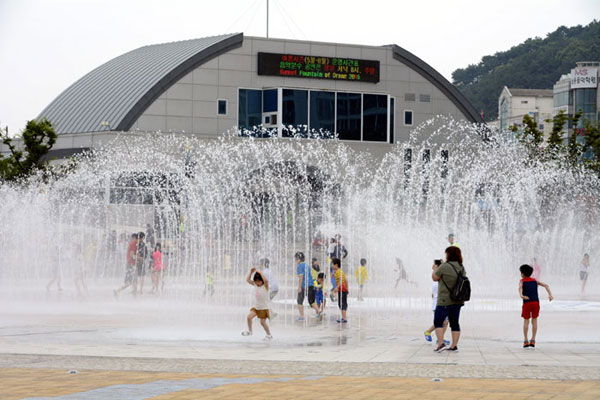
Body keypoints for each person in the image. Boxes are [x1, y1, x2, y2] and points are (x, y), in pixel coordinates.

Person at [432, 246, 467, 352]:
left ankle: (441, 343)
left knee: (438, 321)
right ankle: (454, 345)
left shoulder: (444, 266)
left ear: (449, 254)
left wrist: (435, 269)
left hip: (444, 300)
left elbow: (435, 278)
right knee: (454, 322)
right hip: (457, 300)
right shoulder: (461, 267)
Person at [519, 264, 553, 348]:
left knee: (526, 321)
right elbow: (546, 285)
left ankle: (526, 340)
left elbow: (520, 289)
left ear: (522, 273)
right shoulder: (535, 280)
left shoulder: (522, 281)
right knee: (534, 321)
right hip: (536, 303)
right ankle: (533, 339)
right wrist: (550, 295)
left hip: (527, 303)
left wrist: (522, 295)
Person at [241, 267, 272, 339]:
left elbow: (266, 281)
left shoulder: (265, 286)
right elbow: (248, 280)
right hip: (256, 307)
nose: (257, 283)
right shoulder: (255, 284)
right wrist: (251, 272)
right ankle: (250, 331)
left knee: (262, 323)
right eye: (256, 281)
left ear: (262, 281)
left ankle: (269, 335)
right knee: (249, 317)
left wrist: (260, 272)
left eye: (259, 281)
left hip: (264, 308)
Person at [424, 260, 449, 345]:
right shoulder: (439, 280)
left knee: (444, 322)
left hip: (439, 304)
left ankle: (440, 338)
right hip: (439, 305)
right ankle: (428, 332)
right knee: (441, 322)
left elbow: (432, 295)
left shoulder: (438, 280)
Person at [296, 251, 319, 320]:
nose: (295, 260)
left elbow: (301, 277)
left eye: (296, 259)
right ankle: (319, 311)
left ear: (298, 259)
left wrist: (299, 287)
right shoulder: (307, 265)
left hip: (304, 286)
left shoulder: (299, 266)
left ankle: (302, 316)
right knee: (311, 301)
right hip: (311, 285)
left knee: (299, 301)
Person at [114, 233, 138, 299]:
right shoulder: (133, 243)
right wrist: (138, 258)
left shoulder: (132, 243)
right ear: (134, 238)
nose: (138, 240)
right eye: (137, 238)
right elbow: (132, 255)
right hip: (131, 264)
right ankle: (118, 291)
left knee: (133, 281)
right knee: (131, 281)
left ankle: (134, 295)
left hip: (130, 264)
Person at [332, 257, 348, 323]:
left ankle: (344, 318)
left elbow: (341, 279)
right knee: (341, 303)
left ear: (336, 265)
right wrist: (347, 288)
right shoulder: (340, 271)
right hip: (343, 290)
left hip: (342, 290)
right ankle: (343, 318)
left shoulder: (338, 272)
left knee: (342, 304)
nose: (332, 266)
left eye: (332, 264)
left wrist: (337, 287)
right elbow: (346, 280)